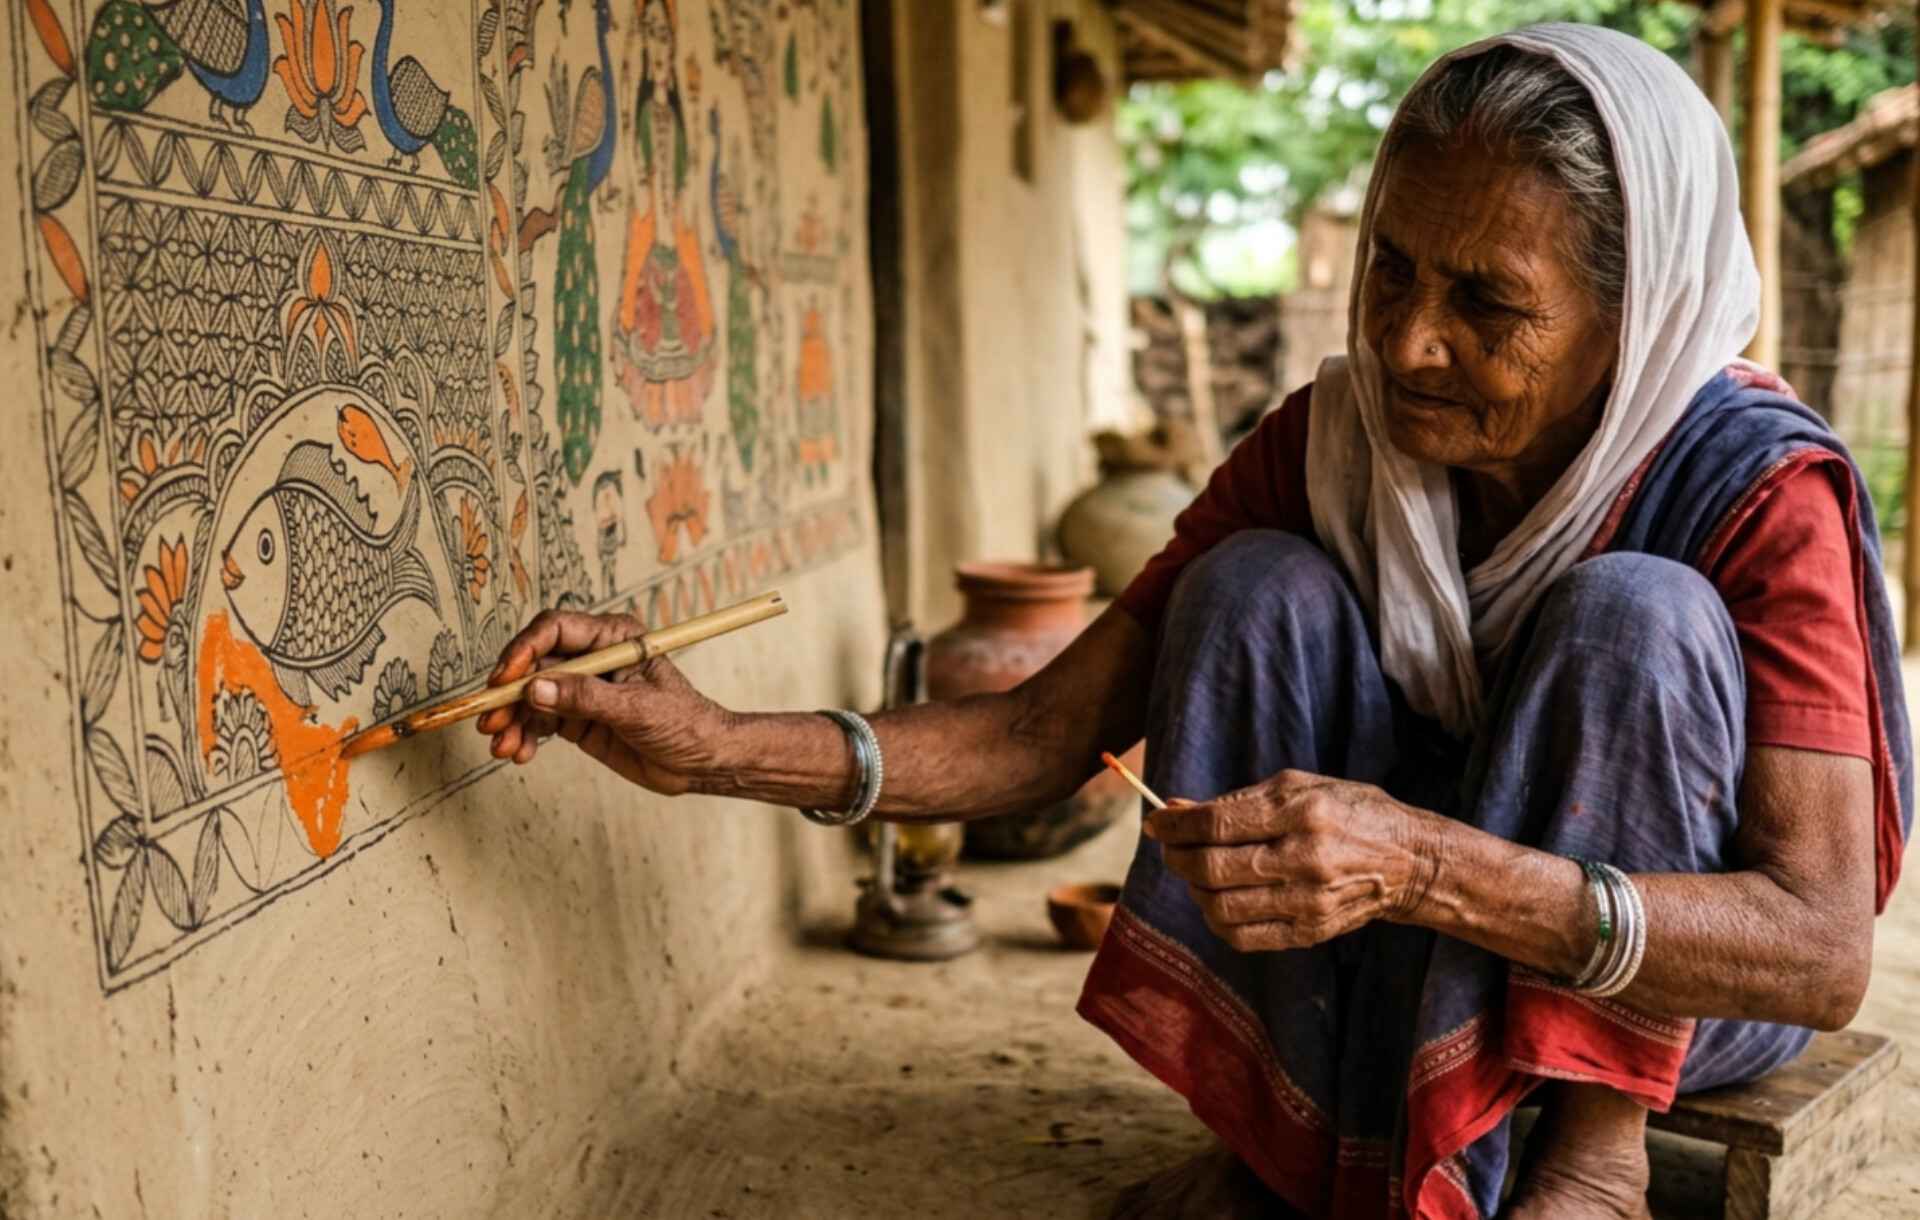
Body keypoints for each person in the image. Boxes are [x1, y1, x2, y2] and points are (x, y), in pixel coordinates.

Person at [478, 24, 1911, 1220]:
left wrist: (1420, 864)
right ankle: (1276, 1150)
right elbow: (1043, 731)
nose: (1409, 340)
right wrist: (716, 744)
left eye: (1489, 304)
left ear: (1636, 313)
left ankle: (1588, 1165)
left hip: (1674, 983)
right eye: (1392, 268)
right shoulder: (1338, 442)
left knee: (1634, 621)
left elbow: (1816, 946)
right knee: (1251, 590)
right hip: (1408, 942)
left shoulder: (1752, 489)